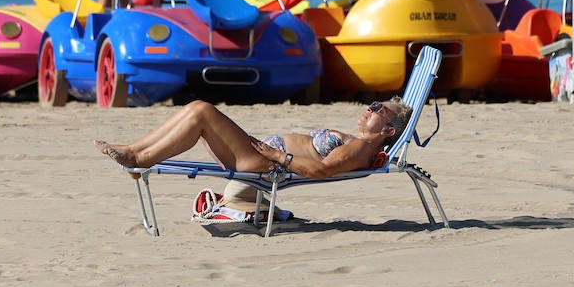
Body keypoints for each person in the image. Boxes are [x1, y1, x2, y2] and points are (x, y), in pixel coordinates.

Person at [96, 97, 413, 181]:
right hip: (262, 156)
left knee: (202, 111)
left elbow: (322, 171)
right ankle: (134, 151)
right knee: (196, 109)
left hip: (265, 165)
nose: (368, 108)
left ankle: (138, 159)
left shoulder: (360, 148)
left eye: (377, 109)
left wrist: (277, 157)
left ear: (388, 131)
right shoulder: (354, 141)